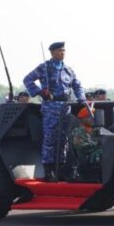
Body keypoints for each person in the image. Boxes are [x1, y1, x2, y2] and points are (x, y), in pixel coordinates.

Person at [23, 41, 86, 181]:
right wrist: (40, 92)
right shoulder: (44, 68)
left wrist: (81, 98)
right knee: (50, 138)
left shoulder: (68, 70)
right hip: (51, 107)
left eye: (63, 51)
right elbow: (28, 80)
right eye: (59, 51)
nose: (62, 53)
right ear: (52, 52)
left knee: (64, 139)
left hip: (66, 107)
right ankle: (48, 170)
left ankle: (62, 168)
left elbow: (77, 85)